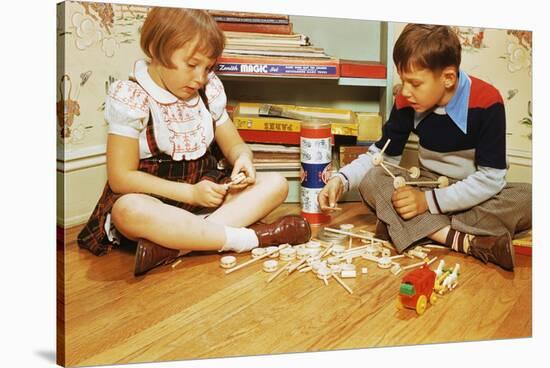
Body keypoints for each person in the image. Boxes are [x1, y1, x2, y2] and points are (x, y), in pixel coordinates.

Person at [77, 7, 311, 276]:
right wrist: (189, 193)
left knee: (276, 184)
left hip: (206, 202)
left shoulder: (208, 90)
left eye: (208, 67)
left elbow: (234, 144)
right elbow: (121, 178)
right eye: (191, 64)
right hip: (157, 203)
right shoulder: (132, 96)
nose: (200, 77)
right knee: (127, 210)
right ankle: (251, 239)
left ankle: (175, 245)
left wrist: (243, 159)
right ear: (156, 48)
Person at [318, 24, 531, 271]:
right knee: (372, 180)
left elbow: (490, 180)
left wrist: (428, 203)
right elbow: (381, 158)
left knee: (530, 198)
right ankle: (463, 240)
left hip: (473, 192)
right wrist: (341, 180)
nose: (405, 91)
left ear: (448, 78)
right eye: (403, 81)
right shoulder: (407, 100)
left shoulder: (487, 101)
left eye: (415, 83)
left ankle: (406, 225)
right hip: (426, 183)